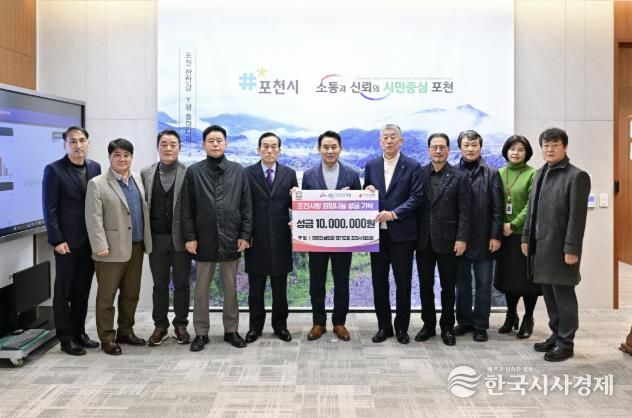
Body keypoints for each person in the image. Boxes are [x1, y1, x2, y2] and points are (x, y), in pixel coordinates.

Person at [181, 125, 252, 351]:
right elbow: (186, 208)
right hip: (203, 239)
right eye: (210, 141)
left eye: (219, 140)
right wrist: (190, 237)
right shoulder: (193, 172)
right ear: (204, 145)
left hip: (231, 238)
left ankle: (231, 330)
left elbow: (246, 206)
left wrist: (245, 235)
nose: (215, 144)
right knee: (201, 290)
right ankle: (201, 333)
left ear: (226, 143)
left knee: (231, 289)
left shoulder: (238, 171)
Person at [522, 127, 591, 362]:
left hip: (561, 249)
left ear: (565, 147)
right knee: (550, 296)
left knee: (564, 297)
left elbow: (577, 217)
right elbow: (531, 211)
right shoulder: (540, 173)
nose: (549, 149)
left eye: (555, 145)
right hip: (541, 248)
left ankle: (566, 343)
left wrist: (572, 248)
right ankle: (556, 335)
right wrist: (526, 238)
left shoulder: (576, 176)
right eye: (546, 145)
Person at [85, 138, 152, 355]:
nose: (122, 159)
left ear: (132, 157)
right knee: (107, 297)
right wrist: (99, 246)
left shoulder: (138, 179)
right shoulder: (97, 183)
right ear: (109, 157)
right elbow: (93, 218)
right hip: (110, 250)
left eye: (126, 155)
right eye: (117, 155)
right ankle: (107, 337)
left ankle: (126, 331)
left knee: (131, 294)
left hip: (136, 247)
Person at [42, 126, 102, 356]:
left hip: (90, 241)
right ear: (65, 144)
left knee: (82, 290)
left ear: (88, 143)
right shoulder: (54, 170)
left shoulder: (95, 167)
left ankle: (79, 333)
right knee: (63, 292)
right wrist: (57, 240)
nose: (78, 145)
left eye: (82, 140)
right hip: (66, 243)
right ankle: (66, 338)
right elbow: (49, 209)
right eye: (73, 141)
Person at [363, 124, 422, 344]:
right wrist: (366, 191)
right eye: (385, 138)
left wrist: (394, 214)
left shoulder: (413, 166)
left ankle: (402, 328)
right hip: (376, 235)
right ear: (380, 141)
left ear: (401, 141)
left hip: (402, 234)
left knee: (403, 283)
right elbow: (367, 194)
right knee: (379, 283)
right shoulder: (371, 165)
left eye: (393, 137)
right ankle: (384, 327)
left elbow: (416, 197)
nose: (389, 141)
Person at [302, 130, 361, 341]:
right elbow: (304, 207)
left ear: (340, 149)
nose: (329, 151)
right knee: (316, 282)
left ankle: (339, 323)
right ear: (318, 149)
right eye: (325, 147)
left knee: (341, 281)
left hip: (343, 239)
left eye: (333, 147)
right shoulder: (309, 175)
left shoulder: (352, 175)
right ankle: (318, 322)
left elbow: (359, 208)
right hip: (317, 239)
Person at [415, 133, 471, 346]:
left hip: (449, 240)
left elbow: (465, 211)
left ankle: (447, 326)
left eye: (442, 147)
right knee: (425, 285)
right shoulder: (419, 174)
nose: (438, 151)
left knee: (448, 287)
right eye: (434, 147)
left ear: (448, 150)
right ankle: (428, 324)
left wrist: (462, 238)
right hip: (423, 241)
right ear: (428, 150)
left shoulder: (459, 176)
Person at [244, 132, 298, 343]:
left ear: (279, 150)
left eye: (274, 146)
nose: (269, 150)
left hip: (281, 239)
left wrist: (297, 197)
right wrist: (245, 235)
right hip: (255, 240)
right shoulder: (247, 173)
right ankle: (255, 328)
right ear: (258, 149)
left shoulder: (289, 173)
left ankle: (280, 326)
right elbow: (243, 206)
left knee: (280, 289)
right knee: (255, 289)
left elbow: (295, 206)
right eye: (265, 146)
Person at [140, 130, 191, 346]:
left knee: (181, 283)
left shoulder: (188, 173)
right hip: (156, 238)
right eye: (164, 144)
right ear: (157, 147)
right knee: (159, 284)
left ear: (179, 147)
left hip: (181, 239)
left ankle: (181, 325)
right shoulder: (146, 172)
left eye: (172, 144)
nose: (168, 148)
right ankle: (160, 326)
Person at [454, 130, 504, 342]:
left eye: (474, 145)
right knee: (462, 283)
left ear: (480, 147)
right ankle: (464, 321)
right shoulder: (453, 172)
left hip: (484, 238)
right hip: (459, 238)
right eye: (466, 145)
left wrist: (496, 235)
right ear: (460, 148)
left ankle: (481, 325)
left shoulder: (491, 173)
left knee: (484, 284)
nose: (470, 149)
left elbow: (498, 208)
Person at [494, 135, 541, 339]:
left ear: (527, 153)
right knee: (508, 279)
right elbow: (494, 202)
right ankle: (511, 314)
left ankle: (528, 318)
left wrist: (513, 225)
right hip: (503, 235)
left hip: (524, 235)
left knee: (527, 280)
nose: (515, 153)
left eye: (520, 149)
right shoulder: (499, 173)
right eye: (512, 149)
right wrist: (500, 227)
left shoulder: (533, 174)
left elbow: (531, 205)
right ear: (506, 151)